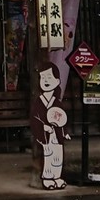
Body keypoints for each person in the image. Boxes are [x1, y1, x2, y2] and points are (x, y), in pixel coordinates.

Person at [30, 60, 70, 190]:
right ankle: (47, 178)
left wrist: (64, 132)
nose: (46, 80)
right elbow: (35, 118)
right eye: (43, 77)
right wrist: (43, 127)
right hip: (46, 135)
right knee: (47, 156)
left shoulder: (56, 102)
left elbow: (62, 118)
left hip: (56, 134)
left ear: (57, 81)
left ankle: (57, 177)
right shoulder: (39, 101)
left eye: (49, 77)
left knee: (58, 156)